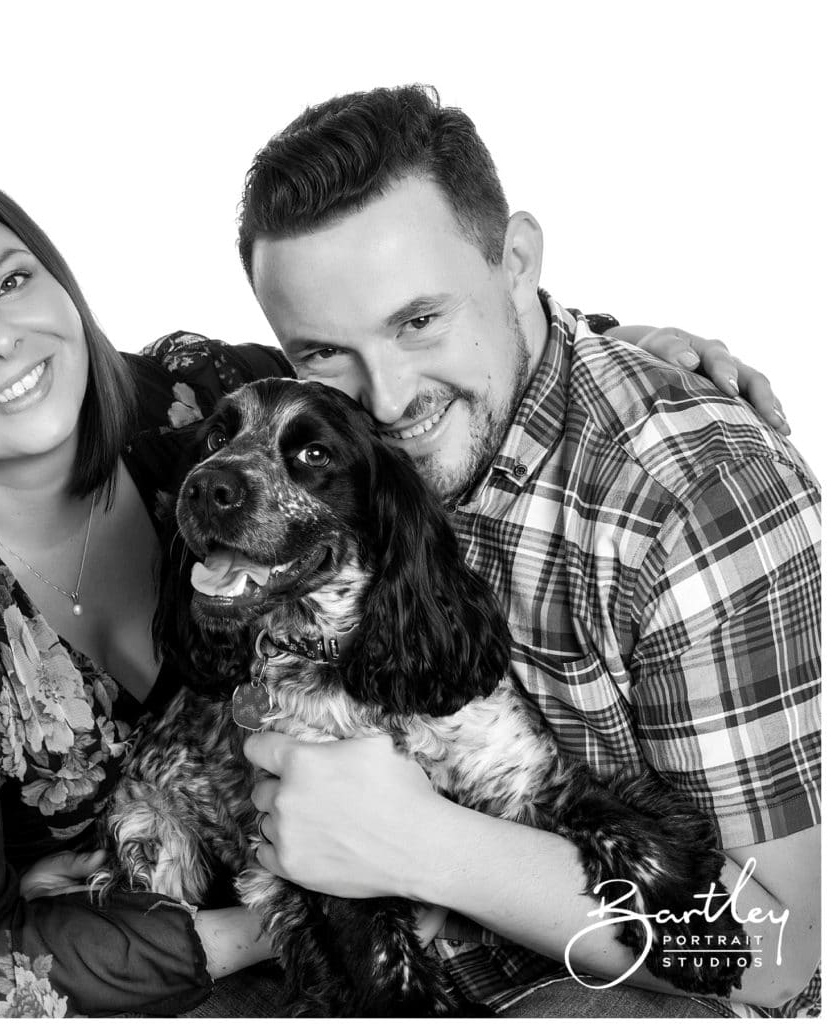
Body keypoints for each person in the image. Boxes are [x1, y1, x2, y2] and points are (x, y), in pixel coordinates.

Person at [0, 162, 791, 1018]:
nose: (0, 340)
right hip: (123, 971)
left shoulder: (191, 401)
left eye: (12, 280)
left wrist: (619, 350)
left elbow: (390, 372)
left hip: (379, 895)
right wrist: (268, 916)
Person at [236, 85, 821, 1018]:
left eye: (419, 320)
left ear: (516, 261)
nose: (385, 403)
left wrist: (416, 844)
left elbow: (775, 950)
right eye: (323, 354)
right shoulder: (337, 448)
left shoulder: (696, 499)